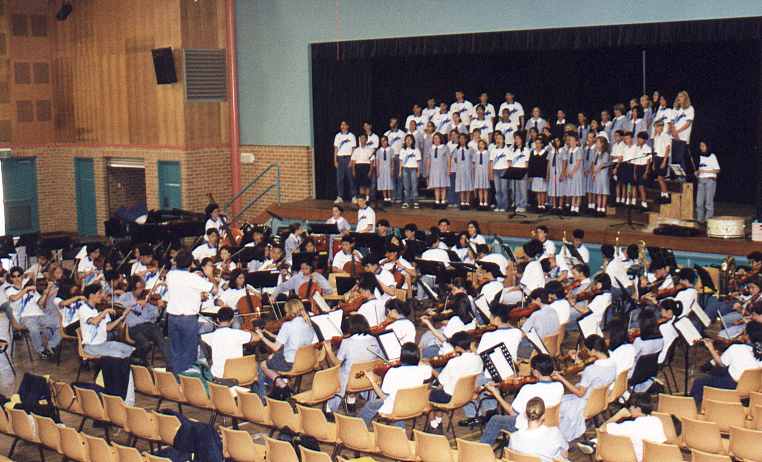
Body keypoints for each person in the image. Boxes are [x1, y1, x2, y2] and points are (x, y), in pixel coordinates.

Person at [479, 354, 565, 444]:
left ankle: (482, 451)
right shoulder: (559, 386)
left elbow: (512, 413)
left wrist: (496, 394)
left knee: (495, 419)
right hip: (549, 425)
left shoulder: (528, 389)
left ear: (535, 372)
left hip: (528, 425)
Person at [556, 335, 618, 442]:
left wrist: (561, 379)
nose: (587, 352)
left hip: (585, 403)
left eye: (588, 350)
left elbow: (580, 393)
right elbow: (596, 377)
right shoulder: (613, 362)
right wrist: (577, 360)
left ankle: (558, 437)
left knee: (558, 406)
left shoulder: (591, 370)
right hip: (601, 400)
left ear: (593, 350)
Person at [359, 342, 432, 428]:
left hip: (397, 407)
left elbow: (384, 397)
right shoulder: (425, 370)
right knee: (396, 403)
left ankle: (359, 428)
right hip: (415, 405)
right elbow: (424, 365)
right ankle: (399, 432)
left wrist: (373, 382)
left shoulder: (393, 372)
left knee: (371, 405)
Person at [166, 249, 216, 374]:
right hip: (188, 319)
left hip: (172, 318)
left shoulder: (170, 275)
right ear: (191, 264)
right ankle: (188, 381)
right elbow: (214, 290)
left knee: (175, 351)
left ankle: (177, 379)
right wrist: (209, 275)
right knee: (189, 352)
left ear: (177, 262)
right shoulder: (193, 278)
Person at [254, 298, 315, 398]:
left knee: (263, 364)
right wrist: (266, 332)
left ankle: (278, 385)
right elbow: (283, 338)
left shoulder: (288, 325)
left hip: (290, 363)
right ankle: (277, 389)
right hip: (305, 360)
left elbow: (275, 346)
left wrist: (262, 337)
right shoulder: (308, 323)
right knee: (272, 357)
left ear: (289, 312)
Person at [324, 314, 381, 412]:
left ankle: (330, 409)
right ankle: (351, 400)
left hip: (350, 381)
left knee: (335, 372)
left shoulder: (347, 342)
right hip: (369, 379)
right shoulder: (375, 339)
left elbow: (337, 363)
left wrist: (329, 351)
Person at [690, 325, 762, 404]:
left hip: (731, 386)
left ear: (747, 335)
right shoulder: (755, 352)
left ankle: (694, 409)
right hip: (752, 389)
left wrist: (711, 348)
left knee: (699, 382)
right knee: (717, 372)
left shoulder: (738, 348)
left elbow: (721, 364)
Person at [584, 393, 665, 462]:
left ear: (638, 409)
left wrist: (618, 415)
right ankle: (594, 443)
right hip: (655, 457)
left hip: (631, 458)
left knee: (609, 439)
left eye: (631, 406)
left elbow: (601, 430)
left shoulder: (629, 426)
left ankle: (594, 444)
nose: (629, 408)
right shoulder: (657, 420)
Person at [428, 332, 483, 432]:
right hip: (468, 395)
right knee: (438, 391)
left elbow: (441, 379)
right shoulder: (478, 359)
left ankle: (434, 425)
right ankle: (438, 421)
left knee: (426, 393)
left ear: (457, 347)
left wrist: (430, 368)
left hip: (451, 397)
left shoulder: (454, 362)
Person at [118, 276, 168, 363]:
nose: (142, 290)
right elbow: (118, 305)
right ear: (133, 288)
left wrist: (158, 308)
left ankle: (170, 364)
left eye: (143, 287)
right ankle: (135, 358)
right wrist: (136, 303)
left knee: (161, 340)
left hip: (147, 326)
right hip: (133, 328)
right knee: (145, 345)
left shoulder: (147, 299)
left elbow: (153, 317)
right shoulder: (126, 297)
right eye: (140, 288)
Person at [78, 283, 135, 359]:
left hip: (104, 343)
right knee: (119, 355)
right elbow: (94, 322)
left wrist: (122, 317)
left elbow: (108, 328)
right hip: (91, 346)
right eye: (99, 293)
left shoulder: (100, 308)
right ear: (91, 295)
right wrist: (105, 311)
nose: (102, 295)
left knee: (131, 350)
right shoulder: (83, 309)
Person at [507, 397, 569, 462]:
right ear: (543, 416)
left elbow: (512, 457)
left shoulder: (514, 437)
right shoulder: (555, 433)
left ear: (525, 414)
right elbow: (565, 455)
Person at [200, 307, 255, 378]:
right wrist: (247, 331)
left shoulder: (210, 336)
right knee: (258, 367)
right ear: (232, 320)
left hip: (218, 377)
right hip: (238, 376)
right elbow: (257, 337)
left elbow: (201, 338)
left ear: (217, 320)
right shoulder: (238, 334)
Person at [696, 141, 720, 223]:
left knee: (708, 203)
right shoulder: (701, 157)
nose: (701, 147)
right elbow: (700, 169)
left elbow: (717, 170)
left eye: (703, 146)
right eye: (700, 146)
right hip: (701, 181)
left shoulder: (712, 156)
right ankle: (699, 220)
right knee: (699, 203)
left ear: (707, 146)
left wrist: (706, 171)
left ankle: (708, 221)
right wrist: (697, 172)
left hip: (710, 180)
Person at [670, 90, 694, 173]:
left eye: (681, 96)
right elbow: (672, 122)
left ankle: (682, 179)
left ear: (685, 98)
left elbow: (688, 123)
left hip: (683, 138)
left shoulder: (690, 109)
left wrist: (677, 132)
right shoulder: (676, 109)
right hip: (674, 137)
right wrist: (673, 131)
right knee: (674, 160)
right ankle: (676, 178)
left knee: (681, 159)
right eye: (678, 96)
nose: (679, 98)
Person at [334, 120, 357, 203]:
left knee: (351, 178)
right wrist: (335, 160)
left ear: (348, 126)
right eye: (341, 125)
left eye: (344, 125)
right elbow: (336, 149)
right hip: (340, 158)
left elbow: (354, 149)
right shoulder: (337, 136)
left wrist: (352, 160)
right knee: (339, 179)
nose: (343, 126)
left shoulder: (351, 136)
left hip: (348, 158)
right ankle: (340, 196)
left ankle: (353, 196)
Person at [651, 120, 672, 203]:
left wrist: (664, 161)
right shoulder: (656, 137)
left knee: (661, 178)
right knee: (659, 178)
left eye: (658, 127)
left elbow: (667, 149)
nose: (656, 129)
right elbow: (655, 150)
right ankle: (663, 194)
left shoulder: (665, 136)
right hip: (657, 158)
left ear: (662, 127)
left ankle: (666, 195)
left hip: (663, 158)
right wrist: (653, 162)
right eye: (655, 127)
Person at [427, 132, 450, 209]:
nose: (436, 140)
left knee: (442, 186)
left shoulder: (445, 148)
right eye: (434, 138)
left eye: (437, 138)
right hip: (434, 169)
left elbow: (448, 159)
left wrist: (449, 169)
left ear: (440, 139)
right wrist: (428, 170)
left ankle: (443, 201)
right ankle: (437, 201)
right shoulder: (431, 148)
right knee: (436, 186)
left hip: (443, 169)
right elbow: (429, 160)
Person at [398, 134, 421, 209]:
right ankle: (406, 202)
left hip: (414, 169)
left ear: (413, 141)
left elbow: (418, 162)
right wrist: (400, 171)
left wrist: (418, 171)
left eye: (410, 139)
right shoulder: (402, 150)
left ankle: (415, 202)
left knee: (414, 186)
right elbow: (401, 161)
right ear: (404, 141)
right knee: (406, 187)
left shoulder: (416, 150)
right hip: (405, 169)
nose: (408, 141)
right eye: (407, 139)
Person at [453, 133, 474, 209]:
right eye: (460, 138)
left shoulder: (470, 149)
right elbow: (455, 159)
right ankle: (462, 202)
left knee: (467, 186)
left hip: (468, 170)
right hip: (460, 170)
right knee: (461, 186)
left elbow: (473, 159)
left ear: (466, 139)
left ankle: (467, 202)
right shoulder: (456, 149)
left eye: (463, 138)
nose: (462, 140)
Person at [591, 135, 610, 216]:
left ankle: (602, 209)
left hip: (603, 174)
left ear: (602, 144)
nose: (596, 144)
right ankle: (598, 208)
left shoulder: (605, 154)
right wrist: (593, 172)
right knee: (598, 192)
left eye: (598, 142)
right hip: (597, 174)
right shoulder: (595, 153)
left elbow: (602, 164)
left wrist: (596, 170)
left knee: (603, 192)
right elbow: (593, 163)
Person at [351, 133, 374, 201]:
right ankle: (362, 198)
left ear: (366, 140)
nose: (362, 140)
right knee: (361, 185)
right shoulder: (356, 150)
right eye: (361, 138)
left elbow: (372, 161)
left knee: (367, 185)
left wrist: (370, 170)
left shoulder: (370, 150)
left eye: (363, 138)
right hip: (358, 167)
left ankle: (367, 199)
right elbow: (353, 161)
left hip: (366, 167)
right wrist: (353, 170)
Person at [528, 136, 548, 212]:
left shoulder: (545, 153)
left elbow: (546, 165)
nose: (537, 145)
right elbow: (530, 165)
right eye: (536, 143)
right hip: (535, 175)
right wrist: (530, 175)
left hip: (542, 175)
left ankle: (543, 205)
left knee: (542, 191)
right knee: (537, 191)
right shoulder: (532, 152)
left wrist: (546, 175)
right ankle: (539, 205)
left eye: (539, 143)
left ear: (542, 144)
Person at [375, 136, 395, 205]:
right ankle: (385, 198)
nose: (383, 142)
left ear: (387, 141)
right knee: (383, 183)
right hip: (381, 168)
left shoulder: (391, 150)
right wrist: (377, 170)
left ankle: (389, 198)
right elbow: (377, 161)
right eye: (382, 141)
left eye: (385, 141)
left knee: (389, 183)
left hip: (388, 168)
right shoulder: (378, 151)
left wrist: (392, 169)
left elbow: (392, 161)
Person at [473, 139, 491, 210]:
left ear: (485, 145)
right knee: (480, 188)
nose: (481, 145)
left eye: (482, 144)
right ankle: (480, 202)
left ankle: (485, 202)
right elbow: (474, 163)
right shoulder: (476, 153)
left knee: (485, 188)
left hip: (485, 171)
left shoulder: (487, 153)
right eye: (480, 144)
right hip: (478, 172)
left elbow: (489, 163)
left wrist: (489, 172)